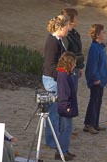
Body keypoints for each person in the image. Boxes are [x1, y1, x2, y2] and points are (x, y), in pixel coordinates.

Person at [42, 15, 69, 148]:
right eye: (66, 27)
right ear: (60, 27)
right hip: (52, 80)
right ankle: (52, 141)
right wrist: (61, 77)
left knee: (56, 111)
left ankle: (55, 138)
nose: (68, 30)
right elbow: (50, 64)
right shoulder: (53, 42)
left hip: (54, 78)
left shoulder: (57, 40)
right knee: (54, 112)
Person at [84, 24, 107, 134]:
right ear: (97, 34)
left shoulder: (100, 46)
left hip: (101, 78)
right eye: (103, 32)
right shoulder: (94, 48)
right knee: (94, 101)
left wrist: (106, 74)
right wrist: (95, 78)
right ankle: (89, 124)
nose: (105, 34)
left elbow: (103, 63)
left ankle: (95, 123)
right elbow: (92, 65)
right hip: (97, 80)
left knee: (98, 101)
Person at [56, 51, 78, 161]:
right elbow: (64, 93)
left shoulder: (64, 74)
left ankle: (64, 150)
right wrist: (67, 105)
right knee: (66, 128)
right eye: (73, 63)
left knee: (65, 128)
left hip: (65, 105)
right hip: (65, 106)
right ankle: (62, 152)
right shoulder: (63, 75)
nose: (75, 65)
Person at [61, 8, 85, 93]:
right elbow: (65, 54)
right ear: (70, 20)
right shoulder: (65, 36)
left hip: (75, 68)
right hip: (69, 70)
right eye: (75, 18)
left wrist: (79, 67)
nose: (77, 20)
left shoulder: (75, 33)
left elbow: (78, 50)